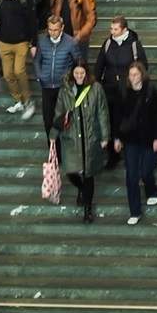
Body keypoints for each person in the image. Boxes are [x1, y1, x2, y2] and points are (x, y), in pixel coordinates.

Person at [54, 58, 109, 221]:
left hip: (90, 136)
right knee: (71, 171)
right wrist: (53, 134)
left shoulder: (96, 88)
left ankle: (88, 208)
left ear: (87, 73)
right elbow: (59, 112)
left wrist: (105, 135)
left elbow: (102, 112)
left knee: (88, 174)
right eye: (76, 73)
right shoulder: (65, 90)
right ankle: (81, 189)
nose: (79, 76)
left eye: (82, 73)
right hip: (71, 137)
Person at [111, 61, 157, 225]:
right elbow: (118, 117)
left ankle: (151, 190)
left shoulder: (150, 91)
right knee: (131, 176)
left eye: (136, 74)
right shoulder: (123, 92)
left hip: (148, 138)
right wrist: (117, 137)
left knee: (147, 170)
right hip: (131, 139)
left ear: (142, 74)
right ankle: (135, 211)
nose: (133, 77)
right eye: (131, 74)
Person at [0, 0, 37, 120]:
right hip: (4, 43)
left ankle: (29, 101)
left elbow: (32, 20)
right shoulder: (0, 0)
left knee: (19, 71)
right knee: (7, 75)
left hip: (21, 43)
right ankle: (20, 100)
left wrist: (33, 43)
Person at [34, 13, 85, 135]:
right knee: (48, 120)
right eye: (50, 30)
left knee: (62, 120)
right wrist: (40, 75)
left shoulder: (70, 42)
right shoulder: (42, 41)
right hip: (46, 87)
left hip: (63, 87)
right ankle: (52, 151)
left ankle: (63, 151)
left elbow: (78, 62)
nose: (52, 32)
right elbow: (37, 60)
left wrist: (70, 79)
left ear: (62, 28)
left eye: (55, 30)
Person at [95, 16, 148, 108]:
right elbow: (100, 65)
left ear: (124, 30)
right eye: (111, 29)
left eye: (116, 29)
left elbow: (143, 65)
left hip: (128, 87)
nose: (112, 32)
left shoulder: (134, 44)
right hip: (109, 87)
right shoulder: (107, 43)